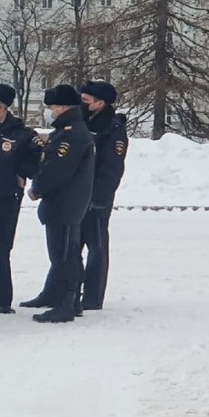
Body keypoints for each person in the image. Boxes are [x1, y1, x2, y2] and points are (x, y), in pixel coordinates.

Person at [25, 85, 95, 323]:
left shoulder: (71, 133)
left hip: (65, 203)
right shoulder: (68, 130)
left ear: (63, 107)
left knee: (64, 255)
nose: (50, 111)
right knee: (67, 253)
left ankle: (66, 304)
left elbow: (58, 169)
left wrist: (38, 188)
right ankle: (69, 300)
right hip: (65, 202)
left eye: (52, 107)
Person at [0, 82, 43, 314]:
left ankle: (1, 301)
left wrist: (22, 171)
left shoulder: (22, 134)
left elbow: (35, 163)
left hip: (4, 199)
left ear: (1, 107)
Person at [79, 80, 128, 310]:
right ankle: (64, 290)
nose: (82, 102)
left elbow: (112, 169)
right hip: (77, 195)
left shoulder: (113, 129)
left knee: (96, 246)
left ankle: (93, 296)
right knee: (71, 245)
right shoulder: (82, 121)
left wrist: (99, 199)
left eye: (87, 100)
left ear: (101, 103)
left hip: (97, 197)